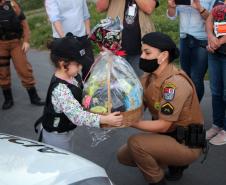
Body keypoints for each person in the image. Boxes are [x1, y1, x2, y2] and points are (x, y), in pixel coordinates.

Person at [117, 32, 206, 185]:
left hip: (185, 142)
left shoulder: (175, 84)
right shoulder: (148, 78)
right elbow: (136, 106)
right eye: (142, 51)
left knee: (136, 143)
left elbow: (163, 126)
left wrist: (127, 121)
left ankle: (159, 179)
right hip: (167, 136)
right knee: (123, 156)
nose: (142, 56)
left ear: (163, 56)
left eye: (147, 52)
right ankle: (169, 160)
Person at [35, 33, 123, 152]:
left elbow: (81, 91)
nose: (81, 67)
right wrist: (104, 120)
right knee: (62, 160)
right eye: (77, 64)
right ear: (62, 64)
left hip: (66, 130)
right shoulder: (60, 89)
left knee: (69, 154)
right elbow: (77, 116)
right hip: (56, 136)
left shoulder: (73, 76)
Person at [167, 0, 215, 101]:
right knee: (185, 77)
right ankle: (187, 108)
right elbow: (171, 17)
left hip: (202, 40)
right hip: (184, 38)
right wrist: (171, 6)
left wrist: (199, 7)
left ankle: (194, 110)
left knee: (196, 79)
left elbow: (213, 19)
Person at [0, 0, 44, 110]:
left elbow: (24, 23)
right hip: (1, 45)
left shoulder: (12, 4)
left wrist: (26, 41)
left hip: (16, 43)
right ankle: (8, 99)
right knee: (3, 73)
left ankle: (34, 97)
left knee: (24, 69)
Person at [96, 0, 159, 77]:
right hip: (114, 46)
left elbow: (149, 8)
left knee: (141, 83)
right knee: (116, 84)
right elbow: (100, 8)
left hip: (142, 49)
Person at [45, 0, 94, 81]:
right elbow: (55, 18)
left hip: (82, 36)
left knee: (89, 66)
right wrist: (65, 40)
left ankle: (87, 91)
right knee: (70, 71)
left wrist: (88, 32)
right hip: (64, 39)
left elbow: (86, 15)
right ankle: (73, 92)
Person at [205, 0, 226, 145]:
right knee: (216, 91)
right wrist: (211, 37)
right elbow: (210, 18)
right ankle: (217, 125)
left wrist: (220, 41)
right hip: (215, 53)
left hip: (221, 48)